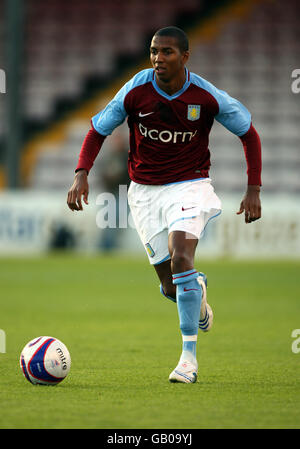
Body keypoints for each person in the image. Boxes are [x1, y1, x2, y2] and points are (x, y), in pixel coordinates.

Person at [67, 26, 262, 383]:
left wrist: (253, 189)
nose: (158, 58)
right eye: (154, 51)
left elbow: (248, 133)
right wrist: (82, 172)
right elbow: (97, 130)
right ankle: (196, 294)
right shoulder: (136, 89)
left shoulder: (206, 96)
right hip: (143, 192)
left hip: (190, 185)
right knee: (171, 286)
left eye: (167, 52)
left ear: (185, 57)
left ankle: (188, 359)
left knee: (181, 257)